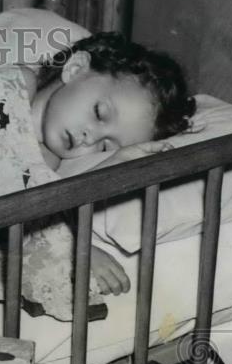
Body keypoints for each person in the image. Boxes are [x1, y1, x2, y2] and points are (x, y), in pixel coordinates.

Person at [22, 32, 196, 295]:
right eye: (99, 113)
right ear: (76, 68)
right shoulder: (18, 84)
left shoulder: (49, 162)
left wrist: (77, 248)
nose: (89, 137)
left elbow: (20, 211)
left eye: (103, 147)